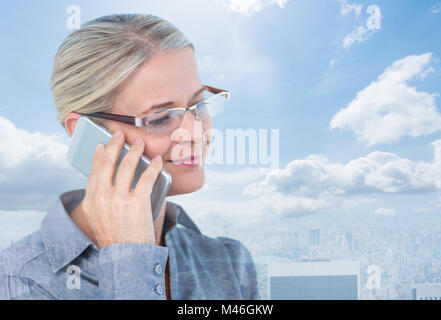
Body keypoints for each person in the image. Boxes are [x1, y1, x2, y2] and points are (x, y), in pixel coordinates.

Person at [0, 13, 259, 300]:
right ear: (85, 131)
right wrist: (131, 266)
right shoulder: (18, 281)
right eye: (161, 118)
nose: (196, 133)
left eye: (198, 104)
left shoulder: (230, 262)